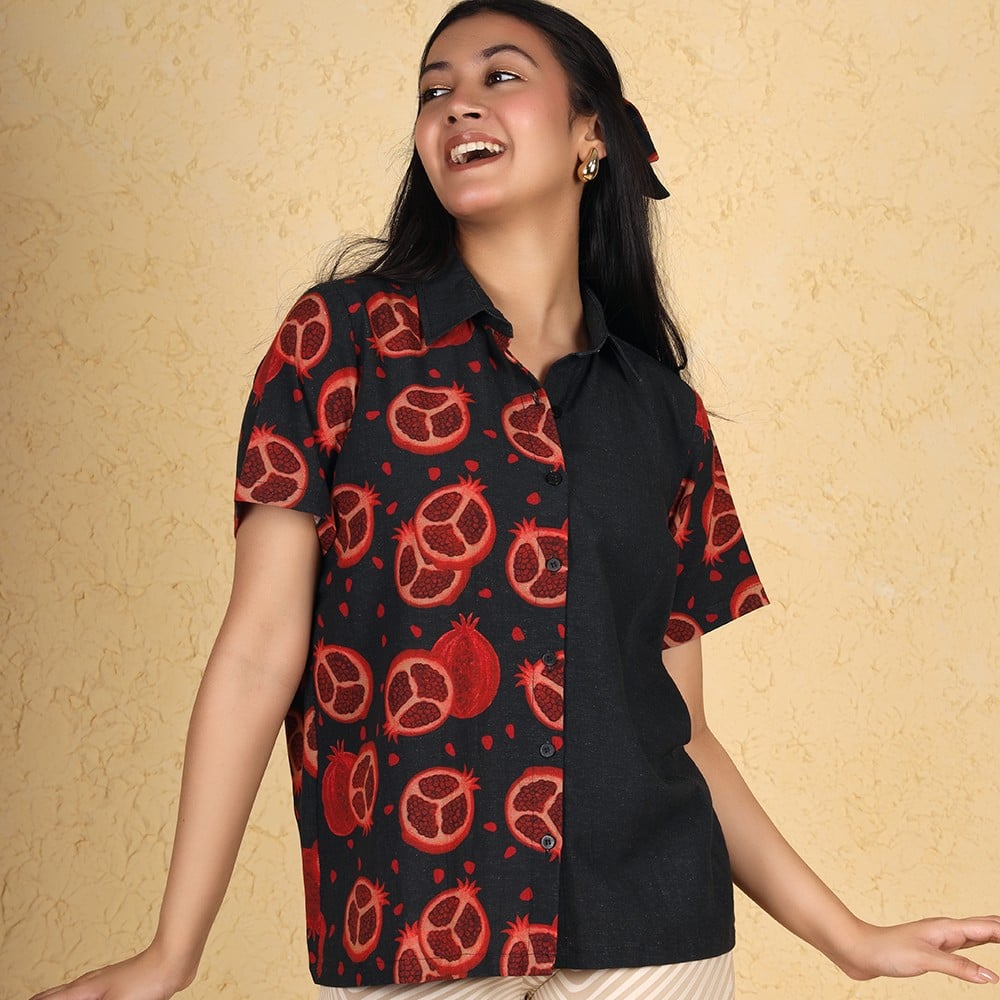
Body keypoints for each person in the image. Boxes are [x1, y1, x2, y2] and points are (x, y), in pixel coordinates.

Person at [29, 2, 1000, 999]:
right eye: (434, 90)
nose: (457, 105)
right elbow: (258, 651)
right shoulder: (337, 345)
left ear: (590, 134)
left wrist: (844, 936)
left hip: (658, 935)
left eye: (499, 76)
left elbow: (680, 728)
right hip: (415, 916)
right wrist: (172, 953)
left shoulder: (662, 413)